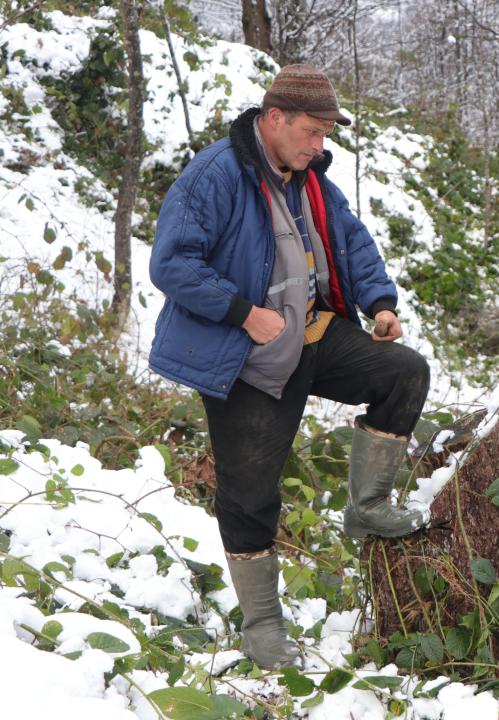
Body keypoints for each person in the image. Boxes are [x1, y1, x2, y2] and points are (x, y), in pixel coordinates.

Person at [148, 65, 430, 669]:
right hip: (246, 357)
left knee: (402, 372)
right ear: (273, 119)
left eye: (326, 134)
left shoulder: (312, 179)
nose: (319, 144)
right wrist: (243, 313)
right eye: (311, 131)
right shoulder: (215, 176)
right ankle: (263, 627)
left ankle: (368, 506)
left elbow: (352, 241)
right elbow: (171, 263)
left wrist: (379, 303)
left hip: (313, 333)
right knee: (250, 496)